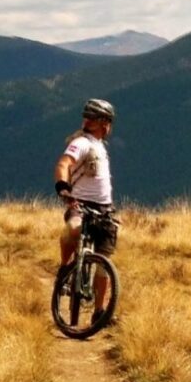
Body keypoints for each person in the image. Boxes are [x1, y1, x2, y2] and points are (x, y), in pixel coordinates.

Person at [54, 98, 117, 315]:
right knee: (73, 228)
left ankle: (99, 311)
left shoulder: (100, 146)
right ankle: (65, 267)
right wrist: (63, 186)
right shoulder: (81, 143)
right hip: (80, 203)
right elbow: (64, 163)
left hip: (105, 208)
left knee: (104, 261)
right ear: (104, 123)